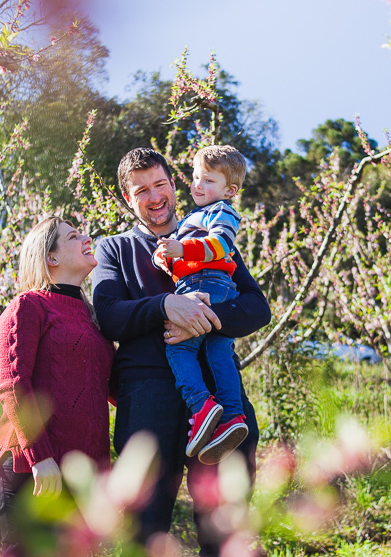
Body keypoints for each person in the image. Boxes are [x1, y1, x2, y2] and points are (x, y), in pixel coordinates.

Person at [92, 148, 270, 555]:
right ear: (127, 199)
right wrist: (165, 306)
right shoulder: (115, 249)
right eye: (141, 191)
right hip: (148, 394)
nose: (155, 197)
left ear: (174, 185)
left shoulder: (212, 239)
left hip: (220, 396)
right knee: (145, 522)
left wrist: (209, 313)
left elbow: (257, 307)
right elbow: (108, 315)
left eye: (160, 185)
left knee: (226, 521)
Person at [0, 216, 114, 557]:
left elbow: (106, 390)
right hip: (31, 467)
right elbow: (13, 386)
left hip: (79, 473)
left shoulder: (92, 317)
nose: (87, 238)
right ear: (51, 258)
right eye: (74, 236)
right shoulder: (28, 306)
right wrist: (40, 457)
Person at [152, 145, 250, 464]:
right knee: (219, 351)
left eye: (207, 180)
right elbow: (183, 258)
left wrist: (181, 248)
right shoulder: (195, 216)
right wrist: (167, 259)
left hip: (204, 284)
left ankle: (201, 406)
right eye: (195, 177)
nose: (197, 185)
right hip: (215, 286)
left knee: (179, 349)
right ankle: (233, 416)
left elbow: (221, 244)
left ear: (229, 190)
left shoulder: (219, 211)